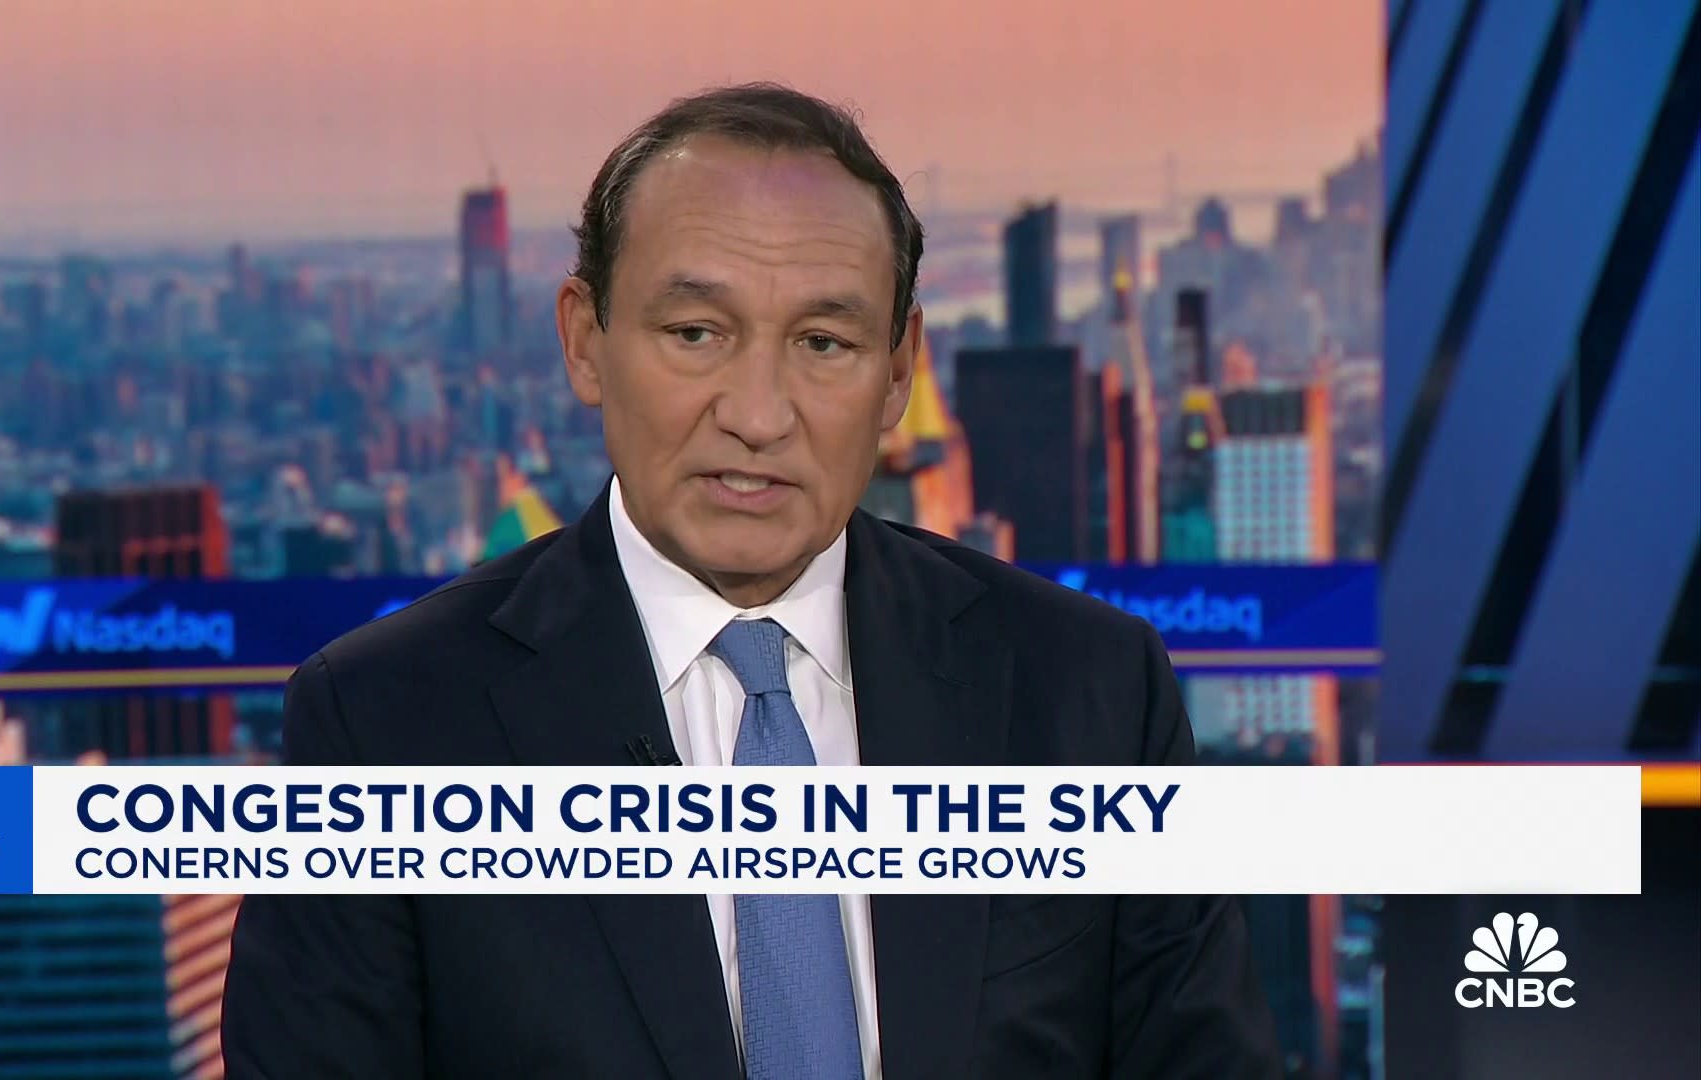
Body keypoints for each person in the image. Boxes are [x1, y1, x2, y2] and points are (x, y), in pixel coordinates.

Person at [223, 82, 1278, 1079]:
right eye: (696, 334)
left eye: (824, 342)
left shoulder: (1091, 691)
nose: (759, 414)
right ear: (584, 341)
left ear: (897, 371)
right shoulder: (383, 725)